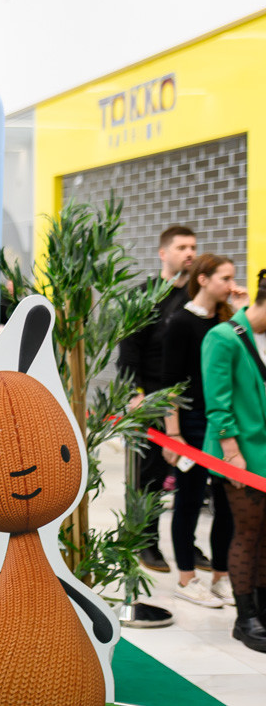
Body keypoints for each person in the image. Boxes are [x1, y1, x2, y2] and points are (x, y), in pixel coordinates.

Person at [160, 254, 239, 608]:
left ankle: (221, 575)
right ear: (204, 279)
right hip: (191, 423)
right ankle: (186, 578)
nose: (231, 285)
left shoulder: (228, 321)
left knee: (226, 502)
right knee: (189, 500)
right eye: (225, 278)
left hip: (222, 422)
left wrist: (240, 308)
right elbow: (171, 384)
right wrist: (173, 434)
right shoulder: (180, 322)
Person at [117, 225, 197, 572]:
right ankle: (144, 541)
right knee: (149, 479)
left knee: (191, 480)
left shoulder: (197, 297)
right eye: (182, 247)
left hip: (191, 403)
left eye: (193, 247)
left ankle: (187, 545)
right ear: (163, 253)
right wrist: (135, 396)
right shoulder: (145, 295)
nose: (189, 253)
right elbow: (128, 353)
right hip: (151, 401)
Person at [202, 269, 266, 652]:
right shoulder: (223, 337)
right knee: (247, 532)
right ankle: (245, 618)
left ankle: (262, 609)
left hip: (265, 451)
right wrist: (232, 454)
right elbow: (217, 401)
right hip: (239, 452)